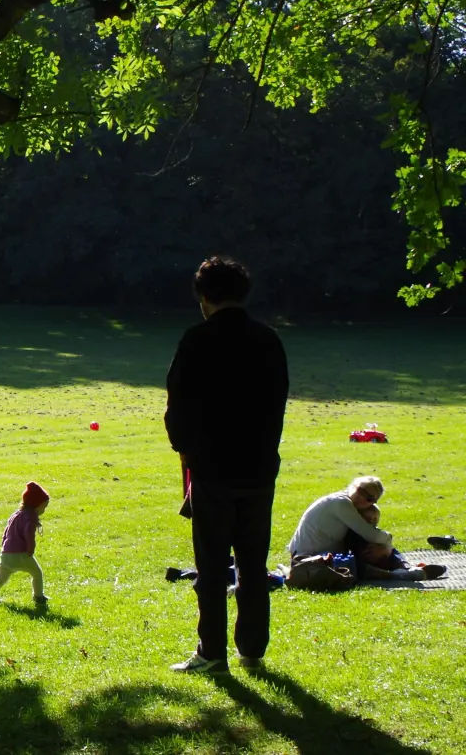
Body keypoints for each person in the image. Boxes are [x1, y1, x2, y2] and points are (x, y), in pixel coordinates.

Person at [165, 256, 288, 674]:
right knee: (253, 565)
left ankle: (211, 652)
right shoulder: (268, 341)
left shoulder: (197, 339)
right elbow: (277, 404)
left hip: (213, 469)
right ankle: (252, 651)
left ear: (204, 296)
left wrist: (185, 450)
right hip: (258, 468)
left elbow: (178, 405)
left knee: (212, 565)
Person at [287, 477, 447, 581]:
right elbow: (371, 534)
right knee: (353, 562)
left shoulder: (348, 505)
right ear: (352, 487)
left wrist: (384, 547)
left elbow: (370, 535)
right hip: (307, 560)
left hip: (327, 555)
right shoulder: (340, 503)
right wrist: (386, 544)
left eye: (369, 498)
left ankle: (404, 566)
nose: (362, 498)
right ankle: (402, 574)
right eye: (361, 491)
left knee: (373, 548)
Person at [0, 482, 50, 606]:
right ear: (36, 505)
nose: (44, 510)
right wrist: (30, 549)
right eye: (43, 507)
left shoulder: (16, 515)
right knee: (37, 573)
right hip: (21, 554)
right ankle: (38, 596)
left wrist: (3, 544)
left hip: (6, 553)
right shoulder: (31, 517)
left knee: (1, 577)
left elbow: (6, 531)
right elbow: (29, 535)